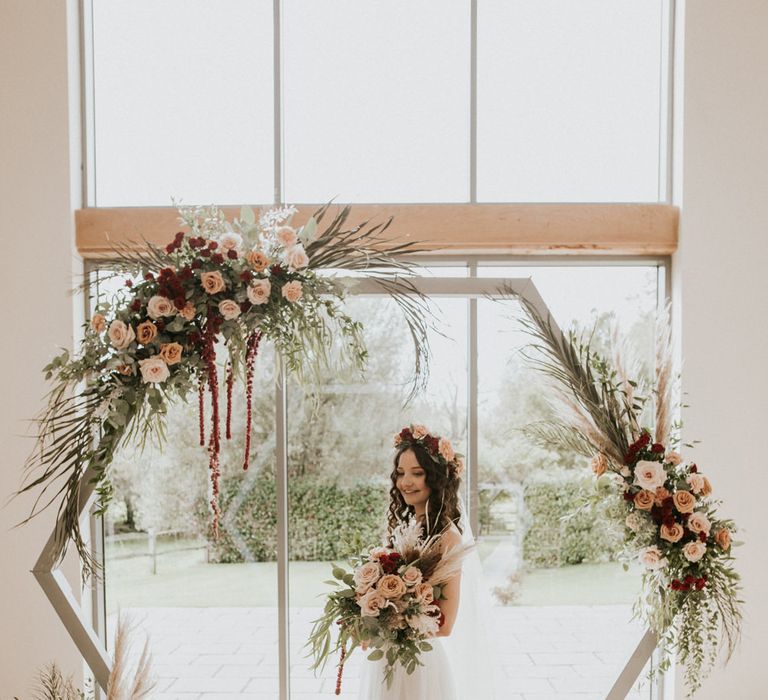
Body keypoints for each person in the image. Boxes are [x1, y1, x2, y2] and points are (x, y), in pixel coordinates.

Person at [356, 425, 467, 700]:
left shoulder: (448, 538)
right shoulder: (402, 527)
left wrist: (389, 617)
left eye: (417, 473)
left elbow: (446, 624)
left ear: (436, 478)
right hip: (387, 657)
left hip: (418, 664)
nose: (405, 482)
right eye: (401, 473)